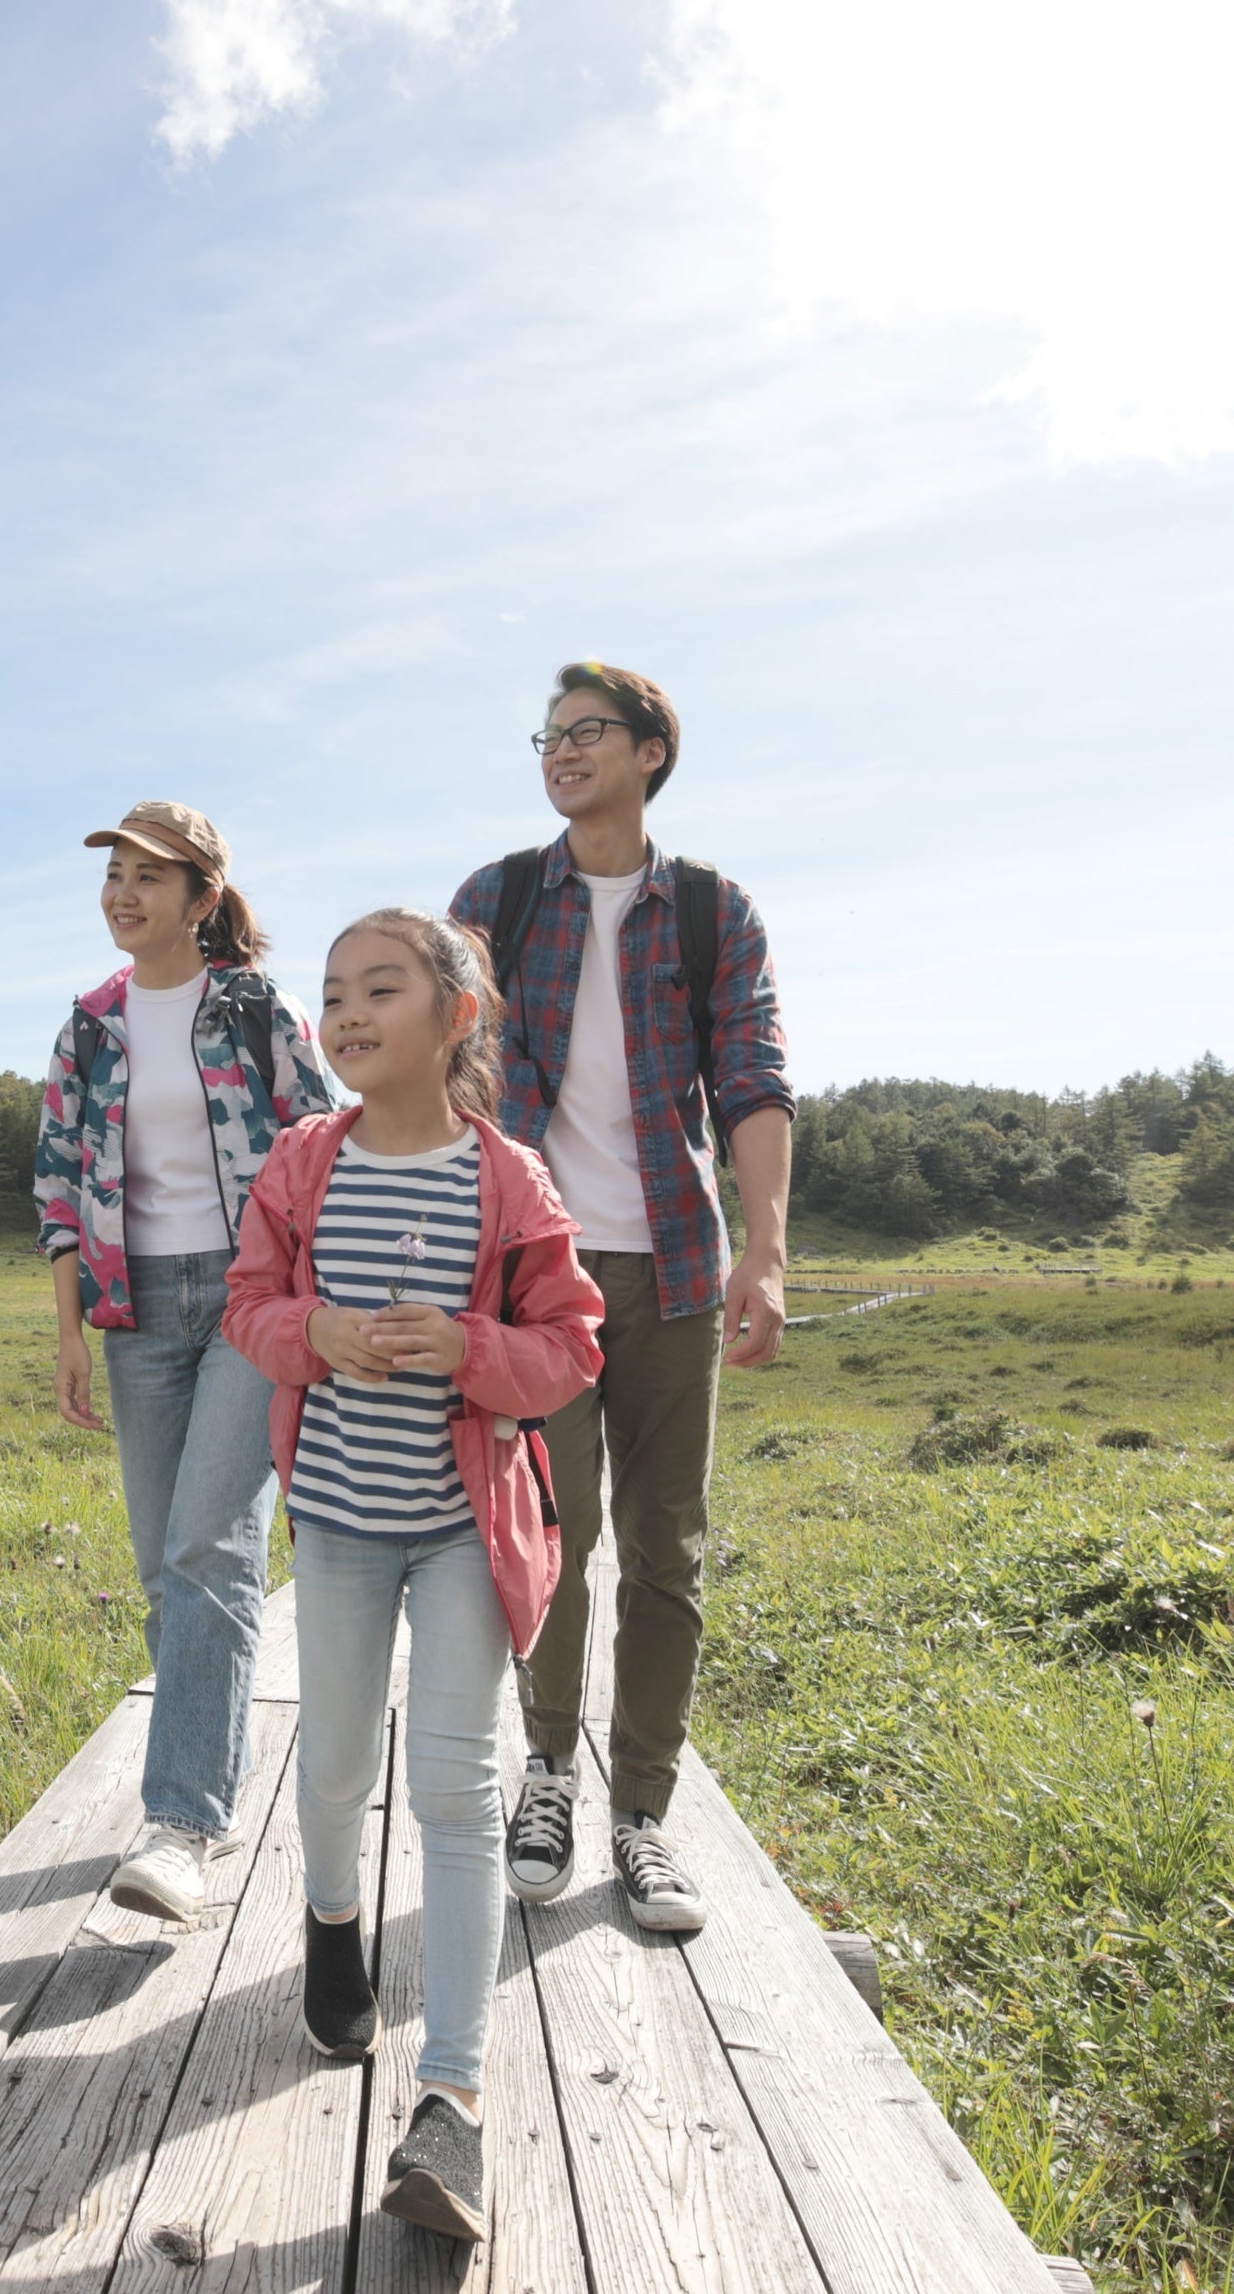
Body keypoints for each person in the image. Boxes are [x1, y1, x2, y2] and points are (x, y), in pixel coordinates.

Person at [221, 909, 602, 2244]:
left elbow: (571, 1347)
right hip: (334, 1521)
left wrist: (471, 1350)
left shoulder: (509, 1178)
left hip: (459, 1532)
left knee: (453, 1786)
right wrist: (313, 1329)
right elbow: (248, 1306)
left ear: (458, 1017)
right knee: (332, 1765)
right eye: (334, 992)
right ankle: (335, 1923)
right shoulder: (300, 1161)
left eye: (381, 988)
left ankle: (453, 2100)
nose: (347, 1012)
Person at [447, 661, 793, 1934]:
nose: (560, 750)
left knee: (667, 1548)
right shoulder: (495, 899)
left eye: (587, 731)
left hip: (674, 1266)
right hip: (536, 1269)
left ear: (652, 751)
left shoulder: (710, 909)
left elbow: (753, 1078)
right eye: (547, 733)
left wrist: (766, 1248)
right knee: (553, 1534)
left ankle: (642, 1812)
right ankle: (546, 1771)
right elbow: (443, 1065)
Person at [34, 800, 339, 1924]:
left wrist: (321, 1304)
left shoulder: (257, 1009)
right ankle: (216, 1763)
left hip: (252, 1301)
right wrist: (68, 1329)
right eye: (113, 873)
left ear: (202, 897)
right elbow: (58, 1182)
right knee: (165, 1568)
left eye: (148, 876)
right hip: (136, 1308)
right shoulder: (91, 1025)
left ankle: (182, 1822)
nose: (122, 894)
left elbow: (325, 1146)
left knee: (212, 1542)